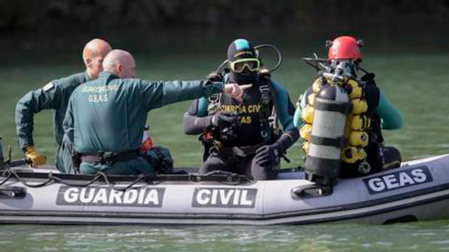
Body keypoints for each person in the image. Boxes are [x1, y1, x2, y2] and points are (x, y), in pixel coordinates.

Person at [63, 49, 249, 175]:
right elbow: (178, 89)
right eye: (132, 70)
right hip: (125, 168)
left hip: (87, 169)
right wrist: (220, 87)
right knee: (162, 155)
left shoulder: (79, 92)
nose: (135, 75)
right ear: (120, 69)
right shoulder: (134, 88)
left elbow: (68, 131)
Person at [184, 39, 299, 181]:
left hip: (260, 155)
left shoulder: (271, 88)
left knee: (262, 174)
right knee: (207, 171)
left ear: (258, 63)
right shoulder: (214, 88)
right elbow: (187, 125)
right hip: (224, 155)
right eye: (239, 66)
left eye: (251, 64)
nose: (246, 70)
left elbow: (294, 126)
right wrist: (213, 120)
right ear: (230, 65)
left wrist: (277, 147)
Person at [294, 36, 403, 179]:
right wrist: (366, 124)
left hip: (321, 168)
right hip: (360, 169)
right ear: (356, 63)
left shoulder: (312, 91)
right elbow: (396, 123)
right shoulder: (371, 92)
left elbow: (297, 123)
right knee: (394, 153)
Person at [15, 39, 112, 173]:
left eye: (110, 61)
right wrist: (29, 149)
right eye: (103, 62)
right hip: (70, 152)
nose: (108, 67)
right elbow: (24, 104)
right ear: (88, 62)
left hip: (102, 152)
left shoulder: (115, 88)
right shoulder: (65, 87)